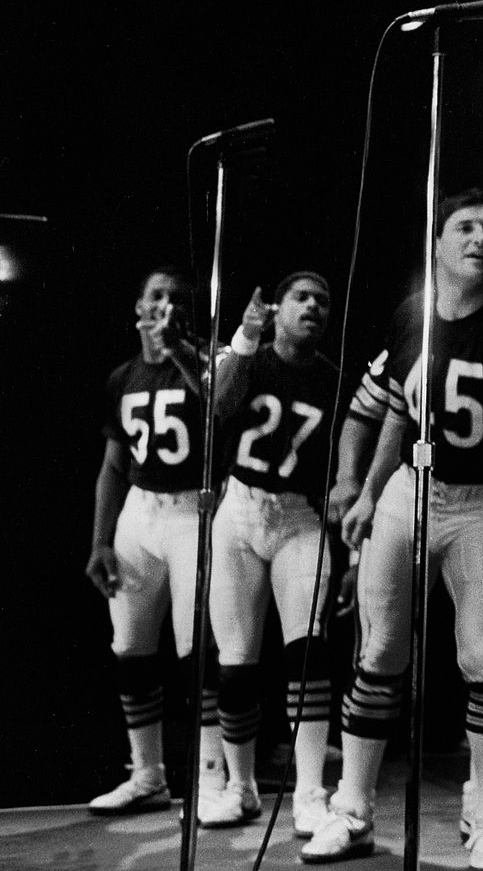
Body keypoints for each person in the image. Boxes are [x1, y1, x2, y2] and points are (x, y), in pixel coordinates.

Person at [302, 189, 483, 867]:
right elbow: (390, 408)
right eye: (465, 226)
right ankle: (352, 807)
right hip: (406, 494)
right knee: (380, 652)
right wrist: (358, 487)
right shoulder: (412, 320)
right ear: (438, 244)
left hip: (477, 505)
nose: (481, 236)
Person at [200, 273, 341, 833]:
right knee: (235, 666)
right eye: (302, 297)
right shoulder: (250, 358)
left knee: (308, 656)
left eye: (322, 300)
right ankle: (240, 785)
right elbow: (217, 405)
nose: (313, 306)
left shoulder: (332, 379)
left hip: (300, 517)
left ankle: (309, 792)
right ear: (278, 307)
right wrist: (243, 337)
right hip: (239, 508)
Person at [85, 267, 225, 815]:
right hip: (141, 513)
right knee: (130, 648)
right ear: (138, 307)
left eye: (176, 298)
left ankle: (212, 776)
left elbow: (214, 403)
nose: (165, 306)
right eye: (156, 296)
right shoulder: (123, 376)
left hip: (194, 509)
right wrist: (100, 539)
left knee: (199, 649)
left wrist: (178, 350)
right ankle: (147, 774)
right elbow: (113, 466)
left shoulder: (203, 365)